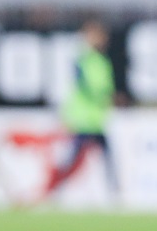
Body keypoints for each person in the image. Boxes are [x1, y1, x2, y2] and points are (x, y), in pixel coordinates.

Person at [39, 18, 119, 201]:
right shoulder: (82, 60)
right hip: (83, 119)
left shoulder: (101, 61)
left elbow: (105, 87)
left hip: (97, 120)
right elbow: (87, 88)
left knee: (106, 158)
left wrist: (109, 98)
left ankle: (114, 193)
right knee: (73, 159)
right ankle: (56, 190)